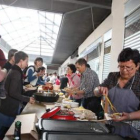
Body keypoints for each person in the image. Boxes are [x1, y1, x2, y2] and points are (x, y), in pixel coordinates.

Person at [0, 51, 35, 139]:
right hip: (9, 107)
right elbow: (13, 92)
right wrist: (28, 99)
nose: (27, 64)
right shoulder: (16, 73)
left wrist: (22, 89)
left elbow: (13, 89)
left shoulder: (14, 70)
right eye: (26, 61)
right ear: (21, 61)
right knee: (4, 132)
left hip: (8, 106)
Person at [94, 48, 140, 114]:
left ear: (137, 66)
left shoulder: (138, 81)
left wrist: (128, 116)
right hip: (111, 120)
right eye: (121, 66)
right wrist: (99, 90)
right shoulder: (113, 76)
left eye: (128, 67)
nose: (124, 70)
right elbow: (95, 92)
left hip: (130, 123)